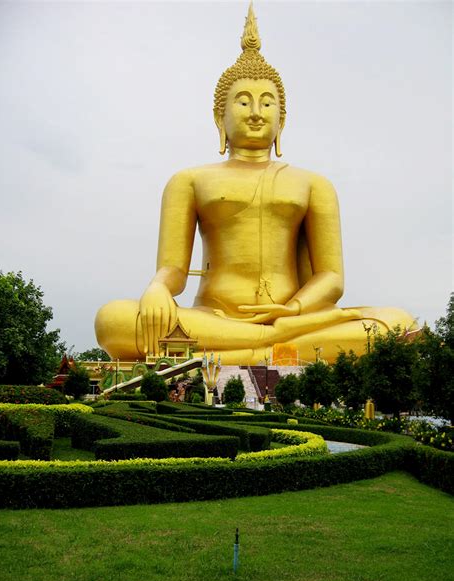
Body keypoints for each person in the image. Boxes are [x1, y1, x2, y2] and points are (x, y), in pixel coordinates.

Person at [95, 4, 415, 364]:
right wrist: (157, 289)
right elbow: (174, 272)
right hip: (211, 319)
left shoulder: (313, 184)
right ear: (220, 116)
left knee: (397, 324)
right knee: (114, 320)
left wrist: (291, 310)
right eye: (242, 101)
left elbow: (331, 278)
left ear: (283, 119)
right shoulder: (189, 180)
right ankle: (274, 346)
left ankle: (248, 348)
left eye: (268, 102)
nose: (255, 112)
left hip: (295, 317)